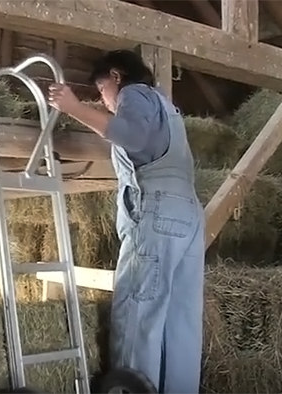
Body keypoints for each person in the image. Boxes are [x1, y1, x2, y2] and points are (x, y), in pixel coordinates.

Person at [47, 49, 205, 394]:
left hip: (159, 211)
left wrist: (73, 107)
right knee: (180, 322)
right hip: (188, 214)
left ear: (116, 76)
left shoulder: (135, 94)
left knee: (138, 312)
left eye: (102, 92)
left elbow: (129, 136)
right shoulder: (167, 108)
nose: (104, 102)